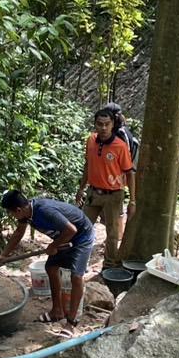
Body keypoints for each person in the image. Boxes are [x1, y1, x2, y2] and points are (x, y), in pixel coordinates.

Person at [1, 188, 93, 326]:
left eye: (10, 213)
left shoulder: (44, 211)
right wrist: (3, 256)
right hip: (64, 237)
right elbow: (19, 232)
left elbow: (71, 230)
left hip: (81, 236)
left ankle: (71, 322)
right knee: (51, 267)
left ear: (18, 210)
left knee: (76, 277)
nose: (11, 216)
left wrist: (54, 246)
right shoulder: (27, 214)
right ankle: (57, 311)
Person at [76, 106, 136, 267]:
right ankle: (79, 260)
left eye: (106, 124)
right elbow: (87, 165)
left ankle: (109, 265)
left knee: (112, 233)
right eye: (99, 124)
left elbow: (130, 173)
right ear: (95, 125)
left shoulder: (120, 146)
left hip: (114, 195)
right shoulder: (90, 141)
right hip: (93, 192)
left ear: (112, 125)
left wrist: (132, 201)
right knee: (83, 226)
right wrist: (81, 189)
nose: (103, 128)